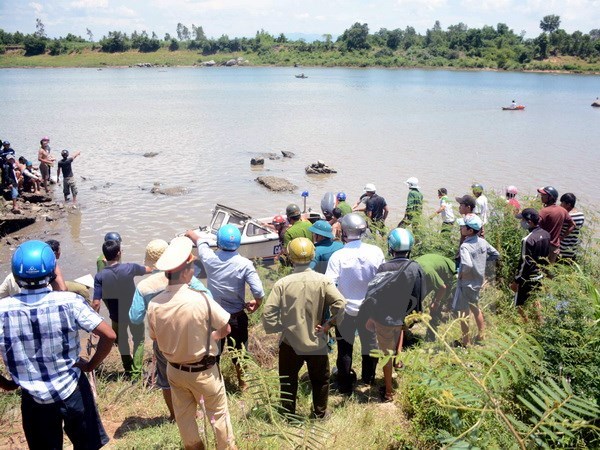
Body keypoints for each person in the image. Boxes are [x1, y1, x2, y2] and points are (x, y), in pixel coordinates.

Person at [0, 240, 115, 450]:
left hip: (33, 399)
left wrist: (6, 383)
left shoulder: (2, 309)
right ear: (52, 272)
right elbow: (108, 335)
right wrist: (90, 365)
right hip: (72, 389)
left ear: (16, 275)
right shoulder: (69, 301)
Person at [147, 237, 236, 450]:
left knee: (185, 420)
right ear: (185, 271)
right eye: (192, 266)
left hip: (175, 372)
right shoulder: (200, 299)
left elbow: (155, 338)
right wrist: (213, 337)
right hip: (204, 371)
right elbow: (226, 327)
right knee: (219, 417)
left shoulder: (155, 304)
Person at [129, 239, 213, 420]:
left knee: (166, 380)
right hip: (190, 335)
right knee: (193, 372)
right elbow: (209, 300)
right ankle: (199, 411)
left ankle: (175, 415)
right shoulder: (188, 278)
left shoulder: (144, 287)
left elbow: (134, 318)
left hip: (162, 340)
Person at [263, 237, 346, 418]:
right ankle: (319, 413)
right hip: (317, 340)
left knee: (287, 380)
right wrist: (328, 325)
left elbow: (268, 314)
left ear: (291, 257)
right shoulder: (323, 281)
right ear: (312, 255)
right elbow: (341, 304)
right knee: (321, 380)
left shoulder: (282, 284)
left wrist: (279, 327)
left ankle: (288, 414)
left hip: (290, 342)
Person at [185, 224, 264, 391]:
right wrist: (257, 304)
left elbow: (199, 240)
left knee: (214, 352)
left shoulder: (209, 258)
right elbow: (258, 291)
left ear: (219, 242)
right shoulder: (245, 264)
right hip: (236, 316)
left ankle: (217, 383)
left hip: (214, 316)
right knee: (240, 352)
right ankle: (243, 384)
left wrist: (189, 233)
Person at [360, 228, 425, 402]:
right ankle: (399, 362)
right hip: (403, 316)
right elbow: (418, 295)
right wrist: (411, 316)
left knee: (385, 354)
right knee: (398, 336)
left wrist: (371, 316)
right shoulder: (415, 267)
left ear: (391, 247)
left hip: (385, 318)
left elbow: (374, 294)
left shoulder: (384, 267)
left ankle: (388, 391)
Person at [325, 213, 385, 394]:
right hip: (370, 308)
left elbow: (329, 284)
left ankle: (344, 384)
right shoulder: (376, 252)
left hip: (345, 311)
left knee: (344, 347)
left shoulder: (338, 256)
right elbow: (383, 280)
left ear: (344, 232)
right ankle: (368, 378)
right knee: (369, 343)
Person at [92, 239, 152, 379]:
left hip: (116, 316)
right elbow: (149, 269)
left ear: (104, 257)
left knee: (122, 342)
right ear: (119, 253)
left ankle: (128, 370)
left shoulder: (100, 276)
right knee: (139, 340)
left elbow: (96, 303)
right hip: (134, 313)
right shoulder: (129, 268)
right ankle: (136, 374)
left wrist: (93, 325)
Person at [453, 215, 499, 347]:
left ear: (470, 230)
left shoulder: (465, 246)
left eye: (463, 226)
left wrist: (461, 274)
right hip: (478, 282)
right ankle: (481, 335)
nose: (461, 228)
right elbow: (496, 254)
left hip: (466, 283)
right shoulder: (482, 242)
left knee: (463, 313)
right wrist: (482, 263)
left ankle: (466, 342)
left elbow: (467, 264)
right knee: (475, 308)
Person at [510, 208, 550, 322]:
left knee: (519, 305)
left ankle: (526, 325)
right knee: (535, 299)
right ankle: (540, 324)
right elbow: (545, 258)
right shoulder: (546, 234)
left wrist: (517, 281)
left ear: (529, 222)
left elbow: (524, 263)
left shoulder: (527, 240)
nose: (520, 222)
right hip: (540, 275)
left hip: (527, 278)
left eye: (522, 219)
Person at [414, 253, 457, 341]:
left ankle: (431, 336)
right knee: (415, 299)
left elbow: (442, 287)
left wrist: (436, 302)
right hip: (433, 271)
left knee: (435, 308)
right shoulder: (411, 269)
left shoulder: (427, 272)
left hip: (447, 274)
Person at [537, 186, 575, 263]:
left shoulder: (544, 211)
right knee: (549, 271)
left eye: (544, 195)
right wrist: (560, 238)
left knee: (538, 269)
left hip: (544, 246)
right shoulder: (562, 210)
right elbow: (573, 225)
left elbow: (535, 227)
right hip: (554, 247)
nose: (541, 197)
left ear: (550, 197)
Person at [559, 193, 585, 261]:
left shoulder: (565, 217)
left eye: (562, 203)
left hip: (561, 250)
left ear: (568, 205)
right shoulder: (581, 215)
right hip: (572, 250)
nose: (560, 205)